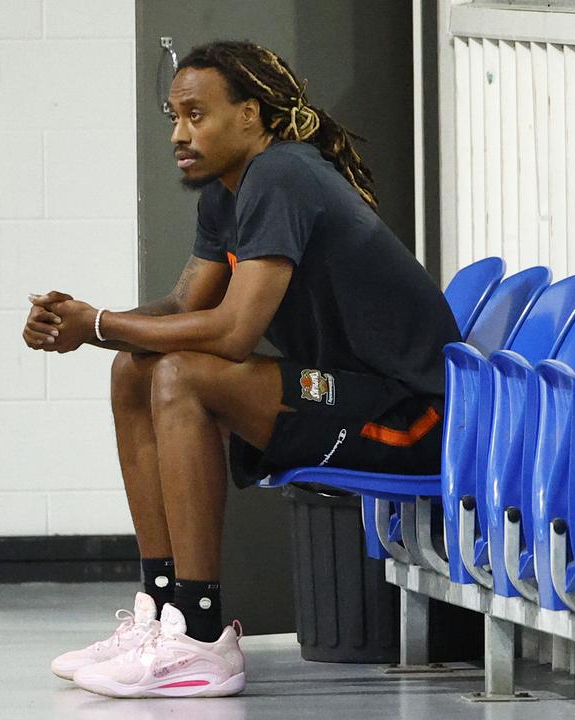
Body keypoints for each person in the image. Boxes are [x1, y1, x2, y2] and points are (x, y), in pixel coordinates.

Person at [25, 40, 461, 699]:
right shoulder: (228, 195)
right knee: (135, 371)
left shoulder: (283, 175)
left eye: (196, 114)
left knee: (181, 376)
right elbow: (180, 307)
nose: (180, 133)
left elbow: (232, 332)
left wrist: (103, 321)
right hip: (351, 397)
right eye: (174, 117)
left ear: (252, 116)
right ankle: (165, 609)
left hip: (413, 417)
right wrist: (82, 325)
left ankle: (201, 638)